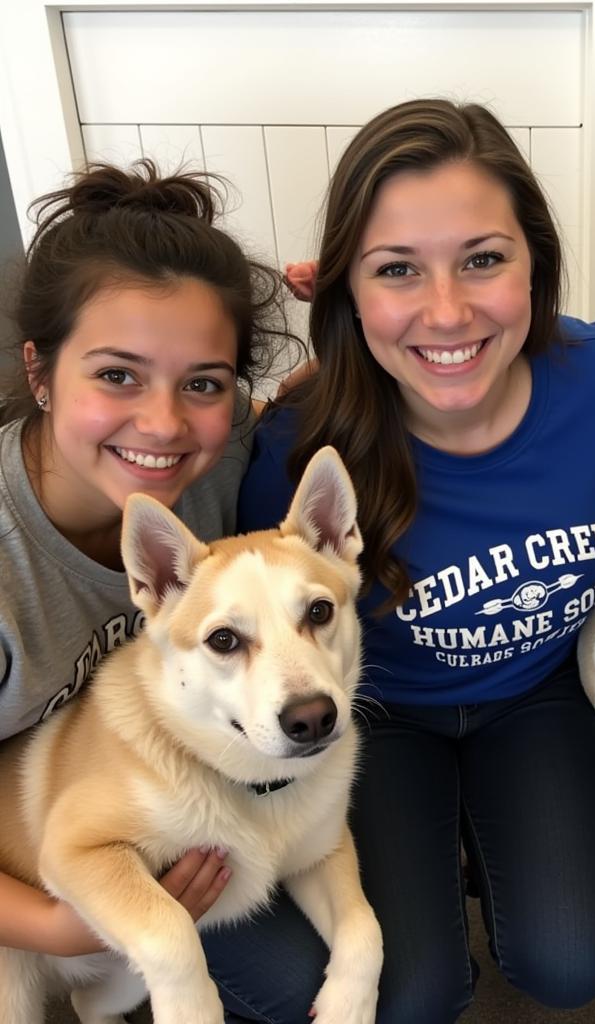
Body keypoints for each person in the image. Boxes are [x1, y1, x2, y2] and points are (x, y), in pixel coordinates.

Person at [238, 98, 595, 1022]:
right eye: (397, 271)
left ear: (535, 263)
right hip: (379, 719)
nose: (448, 311)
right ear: (346, 290)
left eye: (484, 259)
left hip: (542, 692)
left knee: (567, 964)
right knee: (412, 995)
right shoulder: (298, 460)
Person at [0, 160, 328, 1023]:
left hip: (151, 810)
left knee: (299, 980)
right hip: (25, 869)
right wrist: (60, 925)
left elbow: (317, 406)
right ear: (39, 370)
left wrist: (364, 305)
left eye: (203, 383)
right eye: (117, 374)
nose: (163, 423)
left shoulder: (216, 467)